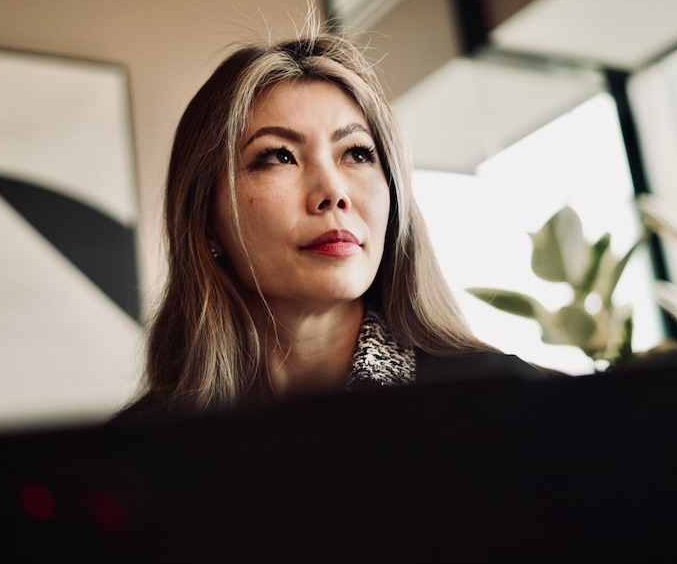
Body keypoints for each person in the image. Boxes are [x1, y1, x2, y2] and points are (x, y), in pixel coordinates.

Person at [117, 23, 544, 420]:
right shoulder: (138, 449)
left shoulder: (510, 402)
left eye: (357, 153)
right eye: (278, 156)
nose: (333, 192)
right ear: (206, 218)